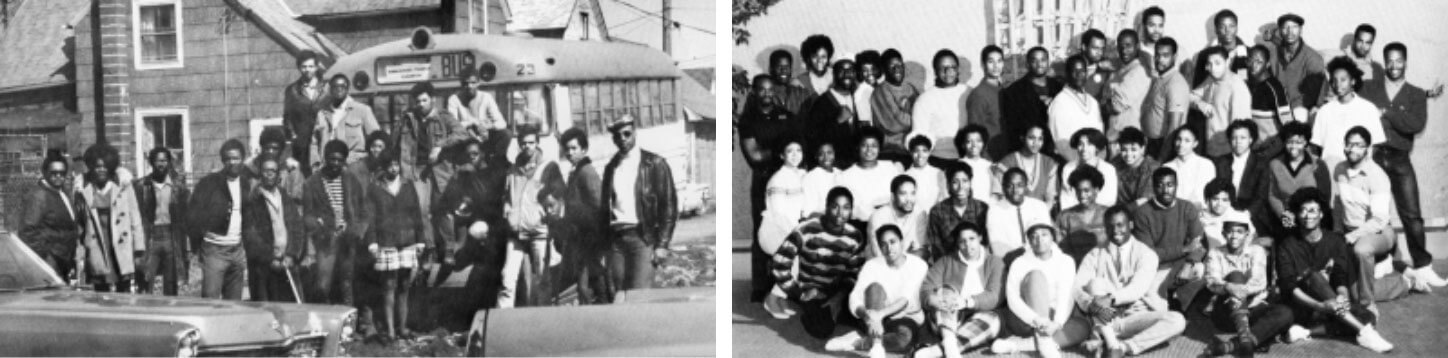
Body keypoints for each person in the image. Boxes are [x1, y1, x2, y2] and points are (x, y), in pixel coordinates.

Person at [1358, 42, 1447, 287]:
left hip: (1400, 158)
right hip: (1374, 158)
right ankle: (1383, 260)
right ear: (1384, 62)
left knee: (1412, 215)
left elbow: (1415, 125)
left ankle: (1423, 266)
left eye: (1399, 60)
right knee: (1376, 214)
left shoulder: (1417, 93)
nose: (1394, 65)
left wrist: (1386, 112)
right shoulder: (1369, 87)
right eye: (1390, 60)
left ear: (1405, 62)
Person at [1276, 188, 1394, 353]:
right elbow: (1289, 286)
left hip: (1331, 305)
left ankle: (1305, 332)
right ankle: (1364, 333)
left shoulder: (1335, 241)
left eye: (1312, 210)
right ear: (1297, 214)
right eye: (1302, 210)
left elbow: (1340, 276)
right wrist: (1320, 305)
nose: (1307, 215)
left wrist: (1342, 298)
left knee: (1369, 317)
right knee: (1313, 276)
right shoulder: (1287, 245)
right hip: (1302, 306)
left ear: (1321, 214)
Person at [1073, 205, 1186, 357]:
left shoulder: (1147, 254)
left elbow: (1136, 290)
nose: (1115, 231)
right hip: (1105, 317)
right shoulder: (1095, 254)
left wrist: (1109, 299)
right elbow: (1077, 286)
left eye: (1120, 225)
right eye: (1110, 226)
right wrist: (1090, 305)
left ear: (1131, 225)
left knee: (1177, 320)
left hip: (1136, 317)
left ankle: (1124, 346)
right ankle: (1112, 345)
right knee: (1095, 284)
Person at [762, 187, 867, 339]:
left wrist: (839, 297)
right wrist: (799, 293)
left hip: (837, 289)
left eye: (846, 208)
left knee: (865, 316)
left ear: (851, 210)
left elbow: (853, 273)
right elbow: (779, 262)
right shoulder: (806, 229)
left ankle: (835, 311)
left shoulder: (854, 236)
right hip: (811, 290)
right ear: (826, 207)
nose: (840, 213)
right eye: (835, 206)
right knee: (821, 330)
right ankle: (825, 312)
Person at [1332, 127, 1413, 307]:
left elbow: (1379, 220)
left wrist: (1351, 236)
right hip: (1349, 230)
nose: (1352, 149)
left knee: (1362, 249)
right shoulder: (1339, 169)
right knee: (1352, 292)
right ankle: (1398, 274)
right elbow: (1338, 204)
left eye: (1358, 145)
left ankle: (1368, 304)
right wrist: (1337, 231)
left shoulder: (1377, 176)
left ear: (1367, 149)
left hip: (1379, 232)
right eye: (1349, 144)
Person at [823, 225, 929, 358]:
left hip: (906, 316)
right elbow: (855, 297)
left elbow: (905, 299)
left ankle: (857, 342)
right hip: (873, 315)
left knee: (904, 339)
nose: (889, 248)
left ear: (902, 242)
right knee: (874, 288)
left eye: (893, 242)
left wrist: (879, 314)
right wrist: (868, 314)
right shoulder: (872, 265)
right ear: (879, 247)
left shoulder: (919, 265)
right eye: (883, 244)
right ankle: (877, 345)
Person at [601, 115, 678, 292]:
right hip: (616, 241)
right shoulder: (611, 167)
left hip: (643, 238)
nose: (622, 139)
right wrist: (605, 246)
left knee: (640, 297)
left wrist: (662, 245)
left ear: (635, 132)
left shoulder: (655, 164)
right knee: (619, 296)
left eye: (626, 134)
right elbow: (604, 209)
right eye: (617, 136)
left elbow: (669, 206)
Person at [1202, 210, 1295, 356]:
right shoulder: (1215, 253)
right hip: (1226, 312)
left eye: (1239, 232)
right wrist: (1227, 286)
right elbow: (1211, 282)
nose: (1234, 236)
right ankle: (1250, 342)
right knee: (1235, 275)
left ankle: (1229, 346)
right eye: (1230, 231)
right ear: (1223, 233)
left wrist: (1239, 291)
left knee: (1286, 313)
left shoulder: (1257, 251)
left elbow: (1259, 282)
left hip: (1252, 308)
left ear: (1247, 235)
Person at [992, 224, 1088, 358]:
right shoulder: (1019, 262)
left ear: (1052, 237)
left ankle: (1020, 345)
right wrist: (1037, 320)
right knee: (1036, 276)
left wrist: (1057, 323)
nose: (1039, 239)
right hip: (1026, 320)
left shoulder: (1066, 261)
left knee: (1083, 327)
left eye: (1044, 234)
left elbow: (1066, 295)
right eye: (1034, 236)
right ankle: (1043, 342)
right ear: (1029, 241)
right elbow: (1012, 298)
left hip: (1053, 320)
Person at [433, 139, 509, 308]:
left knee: (488, 269)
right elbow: (452, 200)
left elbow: (493, 201)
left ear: (482, 154)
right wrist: (458, 175)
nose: (472, 158)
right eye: (468, 156)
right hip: (474, 224)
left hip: (493, 226)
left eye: (475, 154)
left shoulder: (493, 173)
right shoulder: (465, 175)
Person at [916, 222, 1006, 358]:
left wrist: (967, 302)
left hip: (981, 314)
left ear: (980, 238)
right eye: (962, 241)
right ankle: (951, 345)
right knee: (946, 294)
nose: (968, 245)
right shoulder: (946, 261)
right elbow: (926, 288)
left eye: (972, 239)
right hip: (948, 316)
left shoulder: (995, 262)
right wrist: (932, 299)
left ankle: (939, 350)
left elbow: (995, 296)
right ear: (957, 243)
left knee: (993, 321)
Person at [303, 140, 373, 305]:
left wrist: (357, 230)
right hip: (326, 239)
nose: (335, 164)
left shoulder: (351, 180)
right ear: (325, 158)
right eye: (332, 159)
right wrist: (320, 224)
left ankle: (349, 325)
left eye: (339, 160)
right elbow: (307, 216)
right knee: (323, 283)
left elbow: (364, 210)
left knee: (347, 282)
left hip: (348, 238)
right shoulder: (312, 183)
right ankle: (323, 321)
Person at [365, 153, 427, 339]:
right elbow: (371, 218)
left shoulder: (408, 186)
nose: (394, 169)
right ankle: (390, 330)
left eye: (396, 165)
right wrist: (373, 242)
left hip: (407, 240)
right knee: (389, 285)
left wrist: (420, 239)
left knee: (405, 286)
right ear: (383, 168)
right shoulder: (375, 188)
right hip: (387, 241)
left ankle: (403, 327)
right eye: (390, 165)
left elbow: (417, 213)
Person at [500, 127, 561, 307]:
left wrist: (548, 212)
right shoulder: (512, 169)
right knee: (507, 279)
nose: (527, 146)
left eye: (531, 142)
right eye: (523, 143)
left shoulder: (549, 167)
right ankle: (504, 322)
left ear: (537, 143)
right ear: (519, 144)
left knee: (542, 279)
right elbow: (506, 195)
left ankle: (544, 325)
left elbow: (559, 195)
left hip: (539, 230)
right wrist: (507, 210)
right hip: (516, 231)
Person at [1131, 167, 1206, 310]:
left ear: (1176, 186)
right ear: (1153, 188)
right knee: (1156, 307)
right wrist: (1184, 249)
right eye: (1160, 185)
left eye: (1170, 185)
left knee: (1202, 269)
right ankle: (1166, 305)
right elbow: (1150, 255)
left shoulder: (1187, 208)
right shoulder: (1142, 213)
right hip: (1156, 268)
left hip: (1182, 263)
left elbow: (1199, 244)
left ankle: (1179, 303)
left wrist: (1189, 263)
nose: (1165, 190)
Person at [187, 139, 252, 300]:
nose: (232, 162)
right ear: (223, 160)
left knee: (234, 303)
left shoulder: (246, 184)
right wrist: (198, 246)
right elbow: (193, 215)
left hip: (237, 250)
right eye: (228, 159)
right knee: (210, 299)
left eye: (236, 158)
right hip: (214, 250)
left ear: (242, 159)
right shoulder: (209, 183)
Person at [74, 144, 145, 293]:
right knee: (101, 289)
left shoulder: (123, 187)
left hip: (119, 246)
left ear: (111, 167)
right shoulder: (84, 190)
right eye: (97, 166)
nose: (101, 170)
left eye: (106, 166)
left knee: (123, 288)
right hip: (97, 247)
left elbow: (135, 217)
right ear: (91, 167)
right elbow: (79, 224)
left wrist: (138, 249)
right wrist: (79, 252)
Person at [242, 154, 304, 303]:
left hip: (287, 263)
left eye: (273, 171)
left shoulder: (285, 197)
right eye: (266, 170)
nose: (270, 174)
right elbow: (251, 236)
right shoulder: (253, 200)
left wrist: (291, 255)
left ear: (278, 174)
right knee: (267, 313)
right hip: (265, 267)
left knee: (292, 310)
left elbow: (297, 228)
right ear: (260, 173)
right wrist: (270, 258)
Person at [393, 82, 469, 200]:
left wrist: (440, 145)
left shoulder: (444, 117)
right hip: (416, 171)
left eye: (424, 100)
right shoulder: (407, 119)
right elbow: (394, 143)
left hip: (440, 169)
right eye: (418, 101)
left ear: (432, 99)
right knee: (422, 209)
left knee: (442, 207)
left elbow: (462, 133)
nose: (421, 104)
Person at [559, 128, 608, 304]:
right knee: (584, 286)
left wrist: (597, 240)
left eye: (574, 148)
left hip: (591, 240)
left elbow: (600, 206)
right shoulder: (576, 172)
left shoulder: (587, 172)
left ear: (584, 149)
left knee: (589, 286)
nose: (569, 153)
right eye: (567, 149)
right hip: (580, 239)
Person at [133, 147, 190, 295]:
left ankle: (169, 313)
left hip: (171, 237)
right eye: (158, 160)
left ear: (169, 162)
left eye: (164, 160)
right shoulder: (141, 186)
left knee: (171, 283)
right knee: (146, 281)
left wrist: (186, 245)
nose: (161, 164)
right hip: (150, 237)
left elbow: (185, 217)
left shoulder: (178, 187)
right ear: (151, 162)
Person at [1314, 57, 1386, 170]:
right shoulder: (1324, 111)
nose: (1338, 85)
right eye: (1334, 80)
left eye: (1343, 80)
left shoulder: (1368, 109)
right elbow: (1318, 146)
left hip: (1359, 171)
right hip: (1330, 171)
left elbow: (1376, 144)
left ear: (1352, 81)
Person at [757, 138, 808, 298]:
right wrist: (799, 235)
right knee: (796, 259)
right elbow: (779, 214)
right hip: (774, 231)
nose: (795, 155)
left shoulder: (803, 175)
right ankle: (773, 299)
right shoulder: (777, 179)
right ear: (781, 155)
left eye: (798, 150)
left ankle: (781, 300)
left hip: (793, 229)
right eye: (789, 151)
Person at [21, 152, 82, 283]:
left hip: (65, 261)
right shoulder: (39, 196)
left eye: (62, 172)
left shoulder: (62, 193)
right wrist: (47, 257)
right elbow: (28, 232)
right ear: (44, 172)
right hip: (50, 263)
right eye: (53, 172)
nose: (58, 176)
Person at [1266, 122, 1333, 239]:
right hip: (1287, 218)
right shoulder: (1275, 164)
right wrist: (1283, 215)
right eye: (1289, 142)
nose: (1293, 146)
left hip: (1313, 217)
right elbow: (1273, 195)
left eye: (1298, 142)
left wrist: (1308, 217)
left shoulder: (1317, 164)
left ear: (1306, 142)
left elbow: (1324, 196)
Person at [1213, 121, 1273, 240]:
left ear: (1251, 139)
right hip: (1226, 212)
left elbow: (1261, 196)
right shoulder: (1221, 162)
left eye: (1243, 137)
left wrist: (1246, 214)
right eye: (1234, 137)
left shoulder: (1261, 162)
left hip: (1253, 214)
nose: (1238, 141)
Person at [1001, 47, 1064, 157]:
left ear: (1048, 62)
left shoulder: (1059, 88)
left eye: (1043, 60)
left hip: (1057, 150)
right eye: (1035, 60)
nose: (1039, 64)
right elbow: (1012, 128)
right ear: (1028, 64)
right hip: (1029, 151)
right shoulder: (1014, 91)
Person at [1191, 46, 1252, 157]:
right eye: (1209, 64)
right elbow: (1189, 97)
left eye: (1218, 63)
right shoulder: (1211, 79)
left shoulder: (1237, 87)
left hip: (1228, 154)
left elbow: (1240, 130)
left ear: (1227, 62)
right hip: (1210, 149)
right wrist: (1200, 104)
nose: (1213, 68)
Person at [312, 74, 381, 170]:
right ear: (330, 89)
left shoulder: (362, 110)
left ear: (348, 89)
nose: (339, 89)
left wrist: (367, 163)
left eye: (342, 86)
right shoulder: (322, 113)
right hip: (327, 168)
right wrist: (315, 164)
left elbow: (377, 140)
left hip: (354, 167)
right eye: (335, 86)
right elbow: (314, 143)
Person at [910, 50, 970, 155]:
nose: (949, 72)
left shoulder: (968, 92)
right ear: (935, 71)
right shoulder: (924, 100)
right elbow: (919, 136)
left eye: (953, 67)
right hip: (938, 157)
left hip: (966, 155)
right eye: (943, 68)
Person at [925, 163, 989, 262]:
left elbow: (986, 244)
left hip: (978, 264)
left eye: (965, 181)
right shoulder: (937, 212)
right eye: (955, 182)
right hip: (949, 266)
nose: (961, 187)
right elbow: (937, 249)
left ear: (970, 183)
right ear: (948, 185)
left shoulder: (982, 208)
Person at [837, 128, 904, 222]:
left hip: (894, 220)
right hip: (864, 224)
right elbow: (851, 209)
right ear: (857, 147)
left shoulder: (890, 168)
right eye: (864, 145)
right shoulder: (845, 177)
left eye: (874, 146)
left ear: (879, 148)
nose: (869, 150)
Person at [806, 60, 862, 167]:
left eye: (850, 70)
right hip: (832, 164)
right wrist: (837, 121)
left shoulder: (857, 97)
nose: (846, 74)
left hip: (854, 162)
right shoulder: (822, 102)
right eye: (842, 70)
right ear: (834, 74)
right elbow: (812, 136)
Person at [1270, 13, 1327, 120]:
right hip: (1276, 104)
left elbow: (1313, 94)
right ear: (1280, 31)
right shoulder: (1273, 54)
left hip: (1300, 107)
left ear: (1301, 30)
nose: (1290, 32)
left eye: (1294, 27)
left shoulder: (1313, 57)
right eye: (1285, 28)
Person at [1048, 55, 1103, 164]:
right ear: (1067, 74)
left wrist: (1097, 161)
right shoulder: (1059, 102)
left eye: (1082, 71)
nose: (1079, 75)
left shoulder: (1093, 102)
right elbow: (1061, 143)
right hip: (1074, 164)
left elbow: (1099, 136)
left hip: (1095, 163)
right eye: (1074, 71)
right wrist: (1081, 163)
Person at [985, 168, 1052, 257]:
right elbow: (997, 248)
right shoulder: (995, 211)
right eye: (1010, 186)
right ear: (1003, 187)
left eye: (1019, 185)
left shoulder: (1040, 206)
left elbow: (1047, 240)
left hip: (1039, 257)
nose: (1015, 190)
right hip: (1009, 260)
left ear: (1026, 186)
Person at [1143, 37, 1190, 159]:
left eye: (1165, 56)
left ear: (1174, 57)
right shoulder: (1161, 78)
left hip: (1163, 146)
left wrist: (1162, 158)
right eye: (1157, 55)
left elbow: (1174, 125)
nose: (1160, 60)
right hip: (1152, 144)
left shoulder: (1175, 84)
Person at [1106, 29, 1151, 150]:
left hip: (1130, 141)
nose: (1124, 51)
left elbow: (1116, 106)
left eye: (1128, 46)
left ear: (1137, 46)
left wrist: (1107, 100)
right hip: (1116, 137)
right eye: (1120, 47)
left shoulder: (1139, 72)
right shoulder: (1122, 70)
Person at [284, 50, 327, 177]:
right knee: (305, 177)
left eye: (310, 66)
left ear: (316, 67)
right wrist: (294, 137)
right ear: (299, 67)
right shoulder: (292, 90)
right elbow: (287, 118)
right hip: (302, 143)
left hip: (323, 139)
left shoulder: (326, 88)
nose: (307, 70)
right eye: (304, 67)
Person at [993, 124, 1059, 207]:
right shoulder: (1007, 163)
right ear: (1022, 138)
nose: (1036, 143)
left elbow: (1050, 196)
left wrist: (1042, 214)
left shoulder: (1048, 163)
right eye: (1031, 138)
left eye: (1040, 139)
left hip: (1040, 214)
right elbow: (998, 195)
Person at [1245, 45, 1293, 158]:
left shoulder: (1274, 88)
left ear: (1267, 64)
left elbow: (1288, 125)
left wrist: (1269, 151)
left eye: (1258, 61)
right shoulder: (1246, 86)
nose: (1253, 65)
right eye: (1250, 60)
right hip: (1253, 148)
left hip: (1271, 150)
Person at [1056, 166, 1108, 264]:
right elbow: (1061, 251)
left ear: (1096, 190)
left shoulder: (1108, 214)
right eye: (1078, 191)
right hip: (1074, 268)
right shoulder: (1065, 216)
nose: (1082, 195)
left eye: (1086, 190)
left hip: (1103, 267)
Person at [866, 175, 927, 259]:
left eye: (912, 193)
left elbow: (920, 251)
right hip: (880, 267)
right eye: (903, 194)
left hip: (910, 266)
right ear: (893, 196)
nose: (909, 199)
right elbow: (880, 255)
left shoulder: (920, 214)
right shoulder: (878, 216)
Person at [872, 49, 921, 154]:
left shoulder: (910, 88)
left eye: (900, 64)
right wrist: (918, 119)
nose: (897, 69)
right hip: (892, 150)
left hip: (911, 148)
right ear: (884, 69)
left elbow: (923, 110)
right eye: (891, 66)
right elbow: (897, 122)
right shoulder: (881, 91)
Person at [1057, 128, 1118, 209]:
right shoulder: (1068, 168)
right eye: (1080, 144)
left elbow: (1109, 200)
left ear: (1097, 147)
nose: (1084, 149)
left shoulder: (1108, 169)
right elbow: (1067, 198)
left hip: (1101, 214)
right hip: (1074, 214)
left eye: (1089, 144)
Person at [968, 46, 1009, 159]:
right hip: (990, 155)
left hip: (1007, 152)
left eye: (999, 61)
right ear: (983, 64)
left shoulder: (1004, 89)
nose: (996, 66)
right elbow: (974, 131)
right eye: (991, 61)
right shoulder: (979, 94)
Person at [1163, 126, 1217, 209]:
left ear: (1195, 143)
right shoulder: (1167, 167)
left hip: (1201, 212)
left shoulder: (1206, 165)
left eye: (1187, 141)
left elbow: (1209, 195)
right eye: (1178, 139)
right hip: (1174, 212)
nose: (1181, 144)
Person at [446, 67, 506, 133]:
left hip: (485, 134)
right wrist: (471, 124)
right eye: (466, 83)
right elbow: (452, 125)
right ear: (461, 85)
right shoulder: (454, 99)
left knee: (506, 134)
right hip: (465, 136)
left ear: (478, 83)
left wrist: (489, 126)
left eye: (473, 83)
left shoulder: (486, 97)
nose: (469, 86)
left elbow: (502, 123)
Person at [253, 127, 306, 201]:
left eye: (275, 148)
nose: (270, 151)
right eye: (267, 148)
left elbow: (297, 200)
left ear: (281, 150)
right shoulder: (253, 168)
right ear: (262, 148)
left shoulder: (292, 170)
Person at [1200, 178, 1252, 251]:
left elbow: (1250, 244)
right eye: (1215, 199)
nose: (1219, 204)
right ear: (1208, 199)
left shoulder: (1240, 218)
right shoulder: (1200, 219)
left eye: (1224, 200)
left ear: (1230, 201)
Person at [1113, 127, 1161, 205]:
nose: (1128, 154)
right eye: (1124, 150)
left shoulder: (1152, 168)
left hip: (1143, 210)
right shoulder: (1116, 163)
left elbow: (1145, 199)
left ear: (1142, 149)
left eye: (1133, 149)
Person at [952, 125, 995, 203]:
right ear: (963, 145)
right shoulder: (956, 166)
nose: (974, 145)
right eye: (969, 141)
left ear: (983, 143)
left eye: (978, 141)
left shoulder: (990, 166)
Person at [767, 49, 815, 115]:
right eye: (779, 67)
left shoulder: (802, 93)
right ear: (770, 69)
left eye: (787, 67)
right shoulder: (762, 94)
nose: (783, 70)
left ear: (791, 69)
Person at [902, 135, 945, 207]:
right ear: (911, 153)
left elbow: (944, 197)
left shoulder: (938, 173)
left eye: (924, 151)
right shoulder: (905, 176)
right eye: (916, 151)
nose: (920, 155)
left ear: (929, 153)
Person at [802, 142, 842, 219]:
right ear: (816, 156)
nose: (826, 157)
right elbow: (808, 212)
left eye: (829, 153)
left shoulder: (840, 174)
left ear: (834, 154)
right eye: (821, 154)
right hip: (821, 221)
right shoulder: (811, 177)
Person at [1079, 29, 1114, 103]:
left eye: (1102, 48)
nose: (1100, 52)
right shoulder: (1071, 65)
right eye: (1095, 48)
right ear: (1084, 47)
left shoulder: (1106, 68)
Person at [855, 50, 883, 132]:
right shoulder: (861, 92)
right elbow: (865, 123)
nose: (870, 73)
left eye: (873, 69)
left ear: (879, 69)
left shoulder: (880, 88)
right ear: (860, 72)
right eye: (865, 70)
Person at [1138, 6, 1166, 74]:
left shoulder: (1170, 51)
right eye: (1152, 25)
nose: (1156, 30)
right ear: (1144, 26)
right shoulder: (1136, 50)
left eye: (1160, 26)